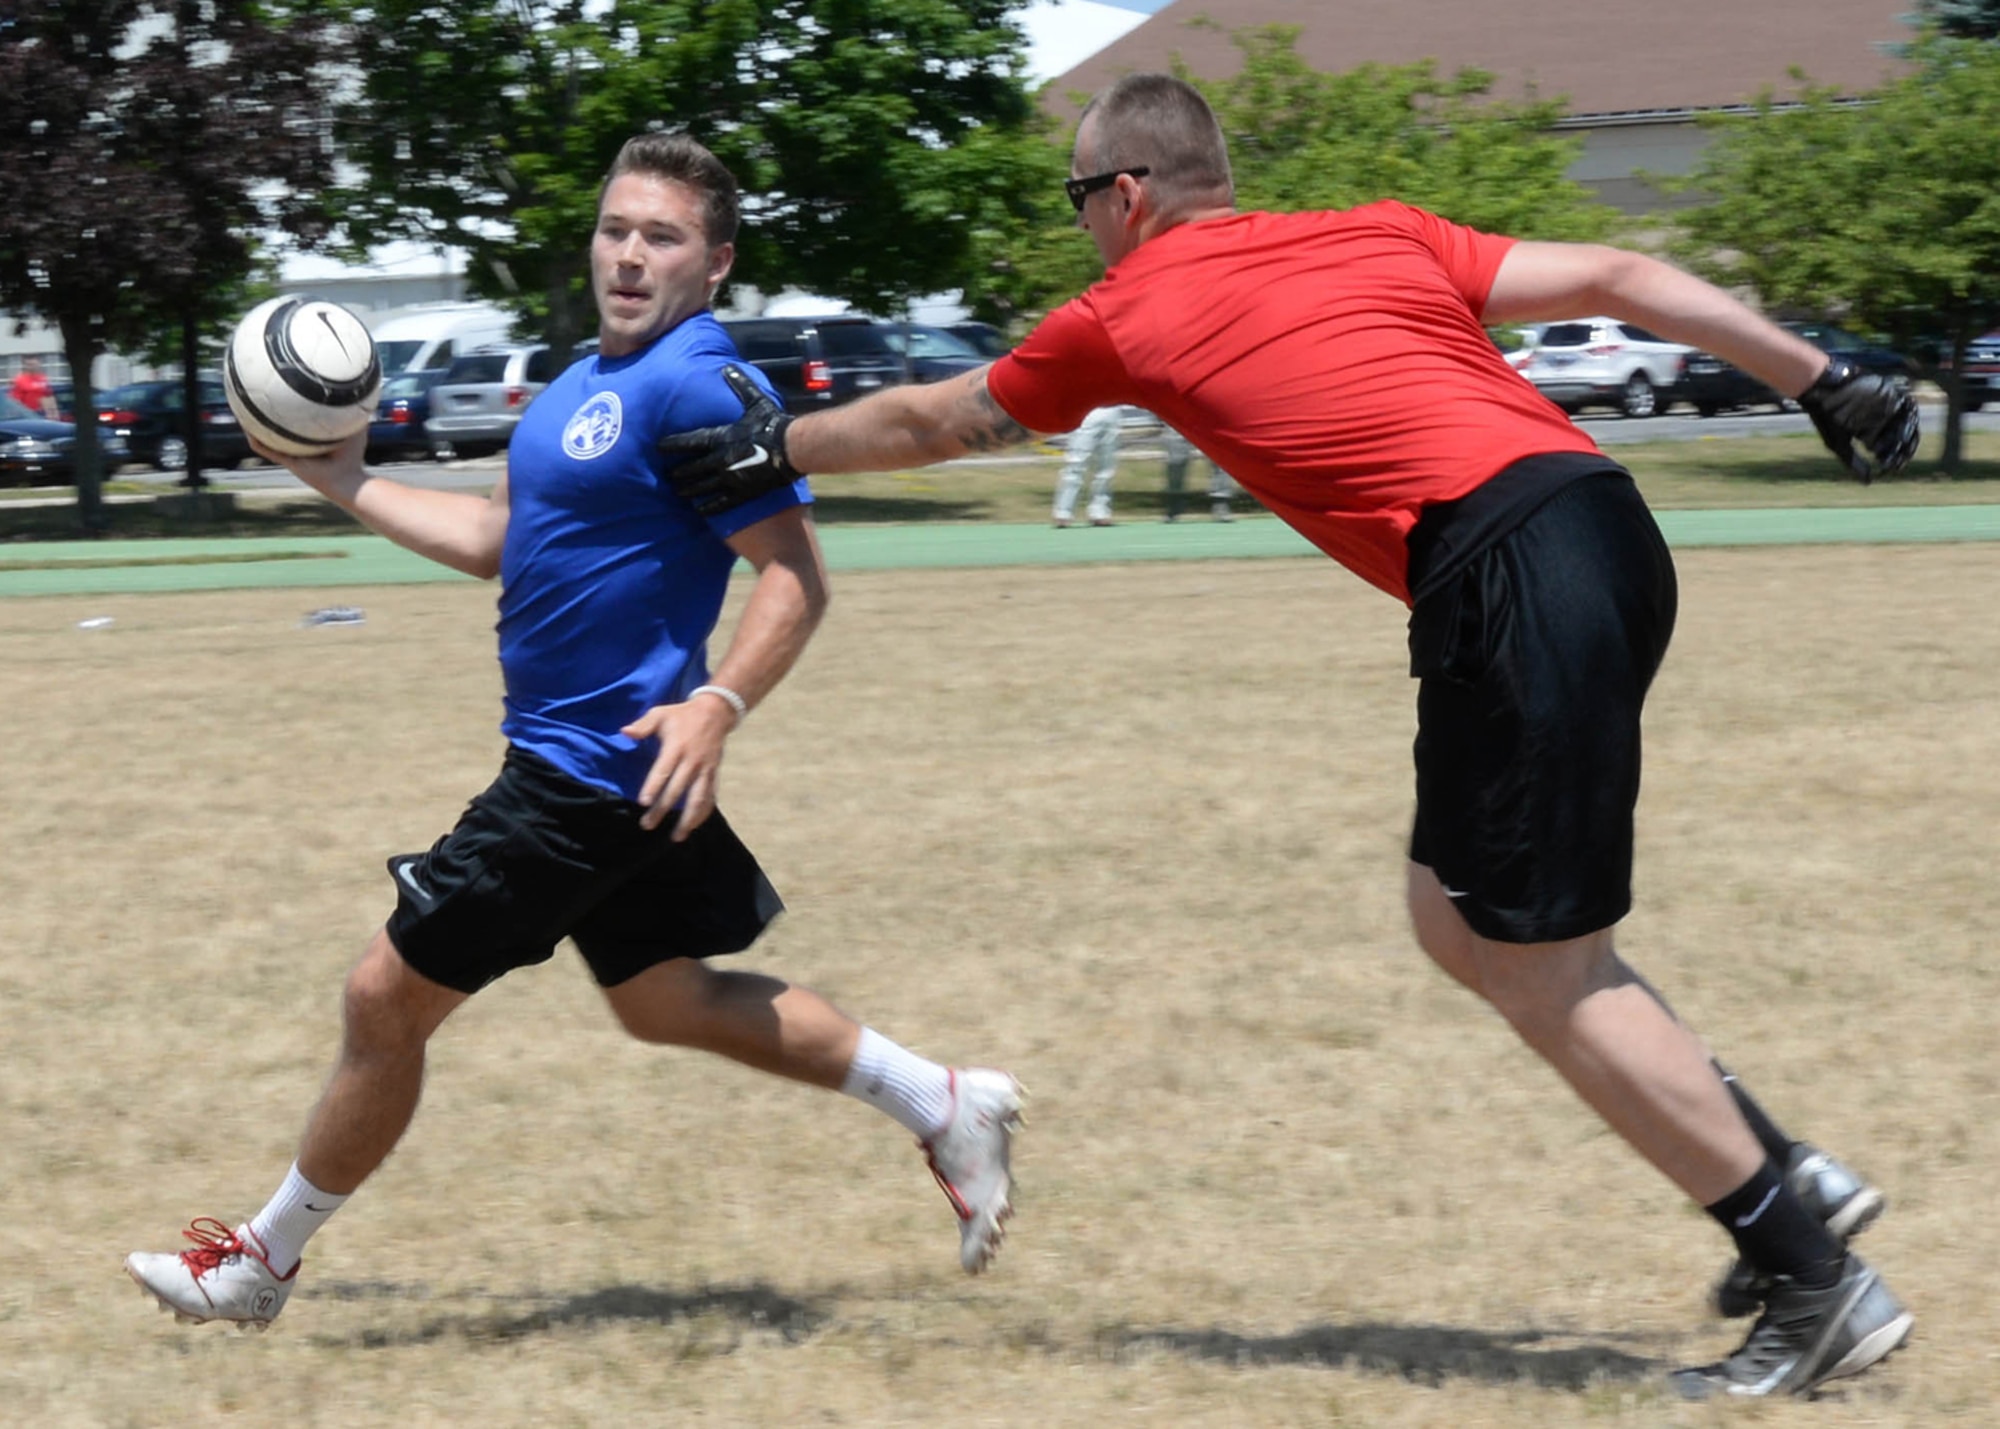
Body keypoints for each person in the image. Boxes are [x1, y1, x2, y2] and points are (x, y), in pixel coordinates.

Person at [658, 75, 1922, 1401]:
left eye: (1079, 199)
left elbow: (938, 419)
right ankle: (1780, 1170)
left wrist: (775, 446)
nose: (1083, 225)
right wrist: (1822, 377)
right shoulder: (1378, 230)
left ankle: (1810, 1276)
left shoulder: (1129, 306)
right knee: (1456, 917)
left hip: (1504, 570)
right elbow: (1618, 272)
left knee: (1544, 964)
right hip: (1601, 530)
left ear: (1125, 194)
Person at [123, 133, 1024, 1331]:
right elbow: (496, 541)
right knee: (666, 1002)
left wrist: (719, 702)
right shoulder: (574, 386)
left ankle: (259, 1264)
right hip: (609, 775)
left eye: (662, 237)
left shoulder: (696, 385)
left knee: (382, 999)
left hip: (583, 777)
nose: (629, 256)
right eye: (615, 230)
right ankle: (945, 1102)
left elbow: (794, 573)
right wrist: (341, 477)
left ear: (715, 263)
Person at [1052, 402, 1125, 526]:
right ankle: (1063, 512)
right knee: (1076, 464)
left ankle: (1100, 512)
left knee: (1106, 467)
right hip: (1086, 412)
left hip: (1112, 411)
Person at [1160, 423, 1233, 523]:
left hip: (1211, 420)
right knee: (1176, 461)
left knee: (1221, 460)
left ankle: (1221, 503)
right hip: (1179, 420)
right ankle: (1174, 503)